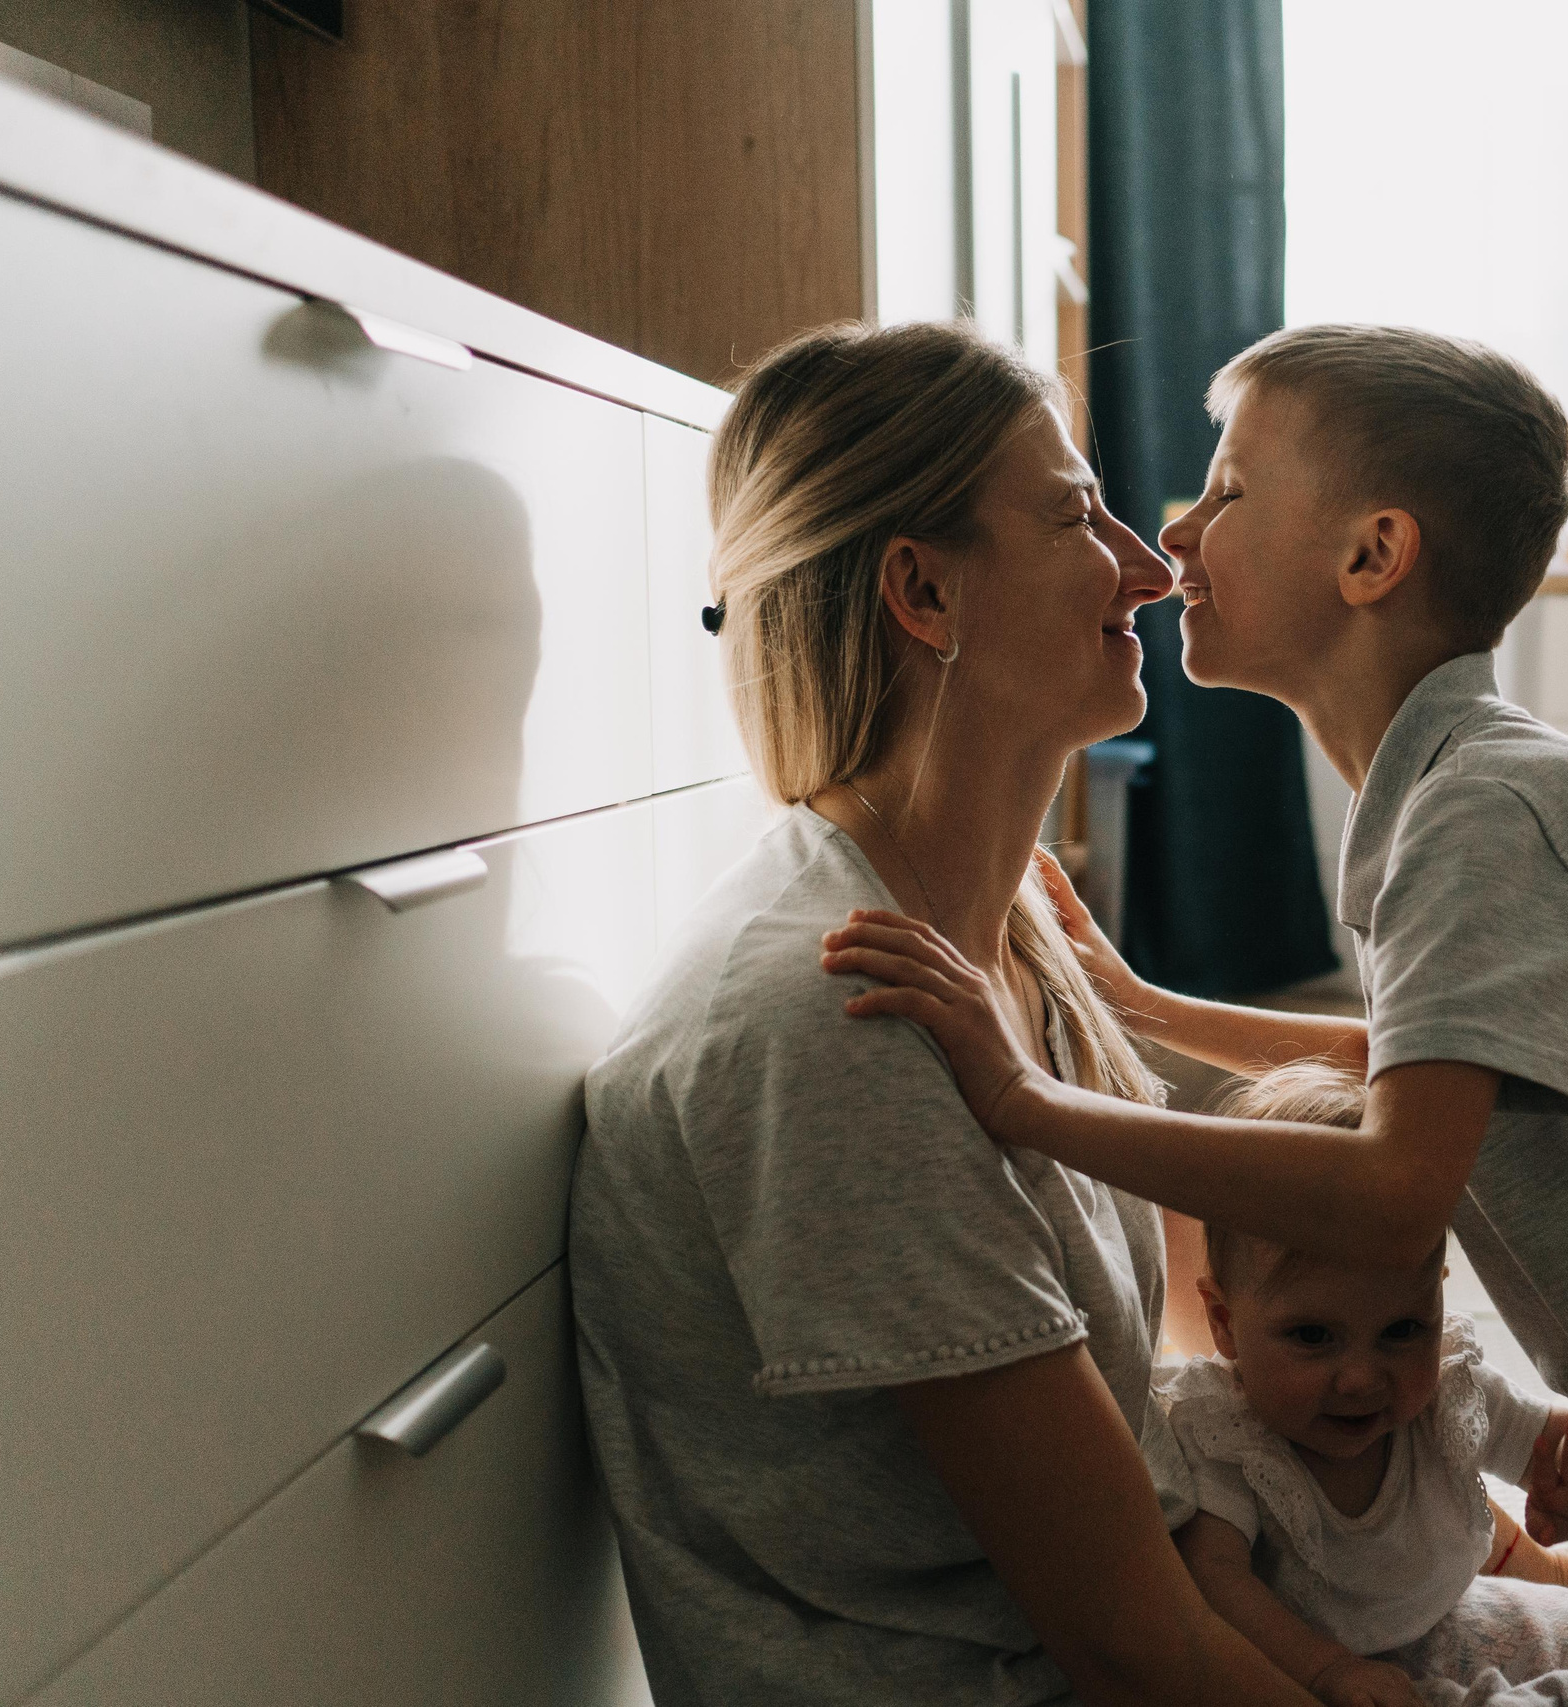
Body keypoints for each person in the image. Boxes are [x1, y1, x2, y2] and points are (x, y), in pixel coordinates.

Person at [818, 323, 1568, 1707]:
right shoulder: (1454, 791)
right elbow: (1422, 1075)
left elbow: (1393, 1189)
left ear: (1372, 557)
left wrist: (1029, 1104)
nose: (1176, 529)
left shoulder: (1482, 810)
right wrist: (1145, 1009)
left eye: (1227, 489)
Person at [567, 319, 1328, 1706]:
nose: (1156, 570)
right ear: (922, 589)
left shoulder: (1006, 931)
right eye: (1076, 516)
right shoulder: (835, 1022)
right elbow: (1132, 1647)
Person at [1164, 1062, 1568, 1707]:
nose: (1363, 1377)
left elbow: (1564, 1452)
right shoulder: (1229, 1439)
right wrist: (1328, 1672)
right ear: (1225, 1326)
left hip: (1461, 1617)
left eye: (1402, 1329)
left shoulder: (1446, 1391)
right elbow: (1216, 1580)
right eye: (1312, 1336)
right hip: (1308, 1667)